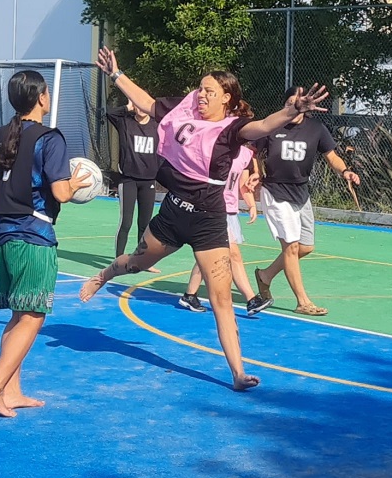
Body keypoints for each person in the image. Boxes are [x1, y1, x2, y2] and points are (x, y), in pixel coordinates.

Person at [78, 48, 329, 391]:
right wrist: (116, 75)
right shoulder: (183, 111)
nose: (202, 95)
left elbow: (263, 126)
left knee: (222, 300)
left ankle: (238, 373)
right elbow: (148, 103)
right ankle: (105, 274)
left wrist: (290, 111)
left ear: (226, 98)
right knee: (135, 263)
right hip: (174, 213)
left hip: (209, 221)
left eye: (210, 91)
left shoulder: (232, 130)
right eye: (200, 89)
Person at [0, 71, 91, 417]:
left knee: (18, 315)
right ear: (42, 97)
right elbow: (59, 192)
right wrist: (76, 184)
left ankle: (11, 390)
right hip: (32, 235)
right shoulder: (50, 138)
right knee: (33, 315)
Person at [252, 87, 360, 316]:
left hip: (301, 193)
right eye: (289, 102)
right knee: (290, 247)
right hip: (275, 192)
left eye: (298, 101)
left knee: (305, 247)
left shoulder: (316, 129)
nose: (294, 105)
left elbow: (332, 156)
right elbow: (252, 153)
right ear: (285, 106)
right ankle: (303, 301)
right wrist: (253, 173)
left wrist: (346, 172)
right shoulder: (273, 127)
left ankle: (266, 275)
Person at [179, 141, 272, 316]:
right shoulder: (214, 150)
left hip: (230, 211)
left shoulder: (245, 155)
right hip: (213, 209)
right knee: (233, 254)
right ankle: (251, 299)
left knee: (209, 254)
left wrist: (252, 205)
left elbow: (243, 184)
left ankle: (189, 295)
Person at [105, 99, 160, 273]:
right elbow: (109, 113)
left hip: (148, 181)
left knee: (145, 224)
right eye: (137, 104)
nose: (141, 108)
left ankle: (142, 261)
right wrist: (127, 106)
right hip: (128, 180)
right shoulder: (125, 122)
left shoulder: (156, 126)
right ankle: (118, 260)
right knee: (126, 222)